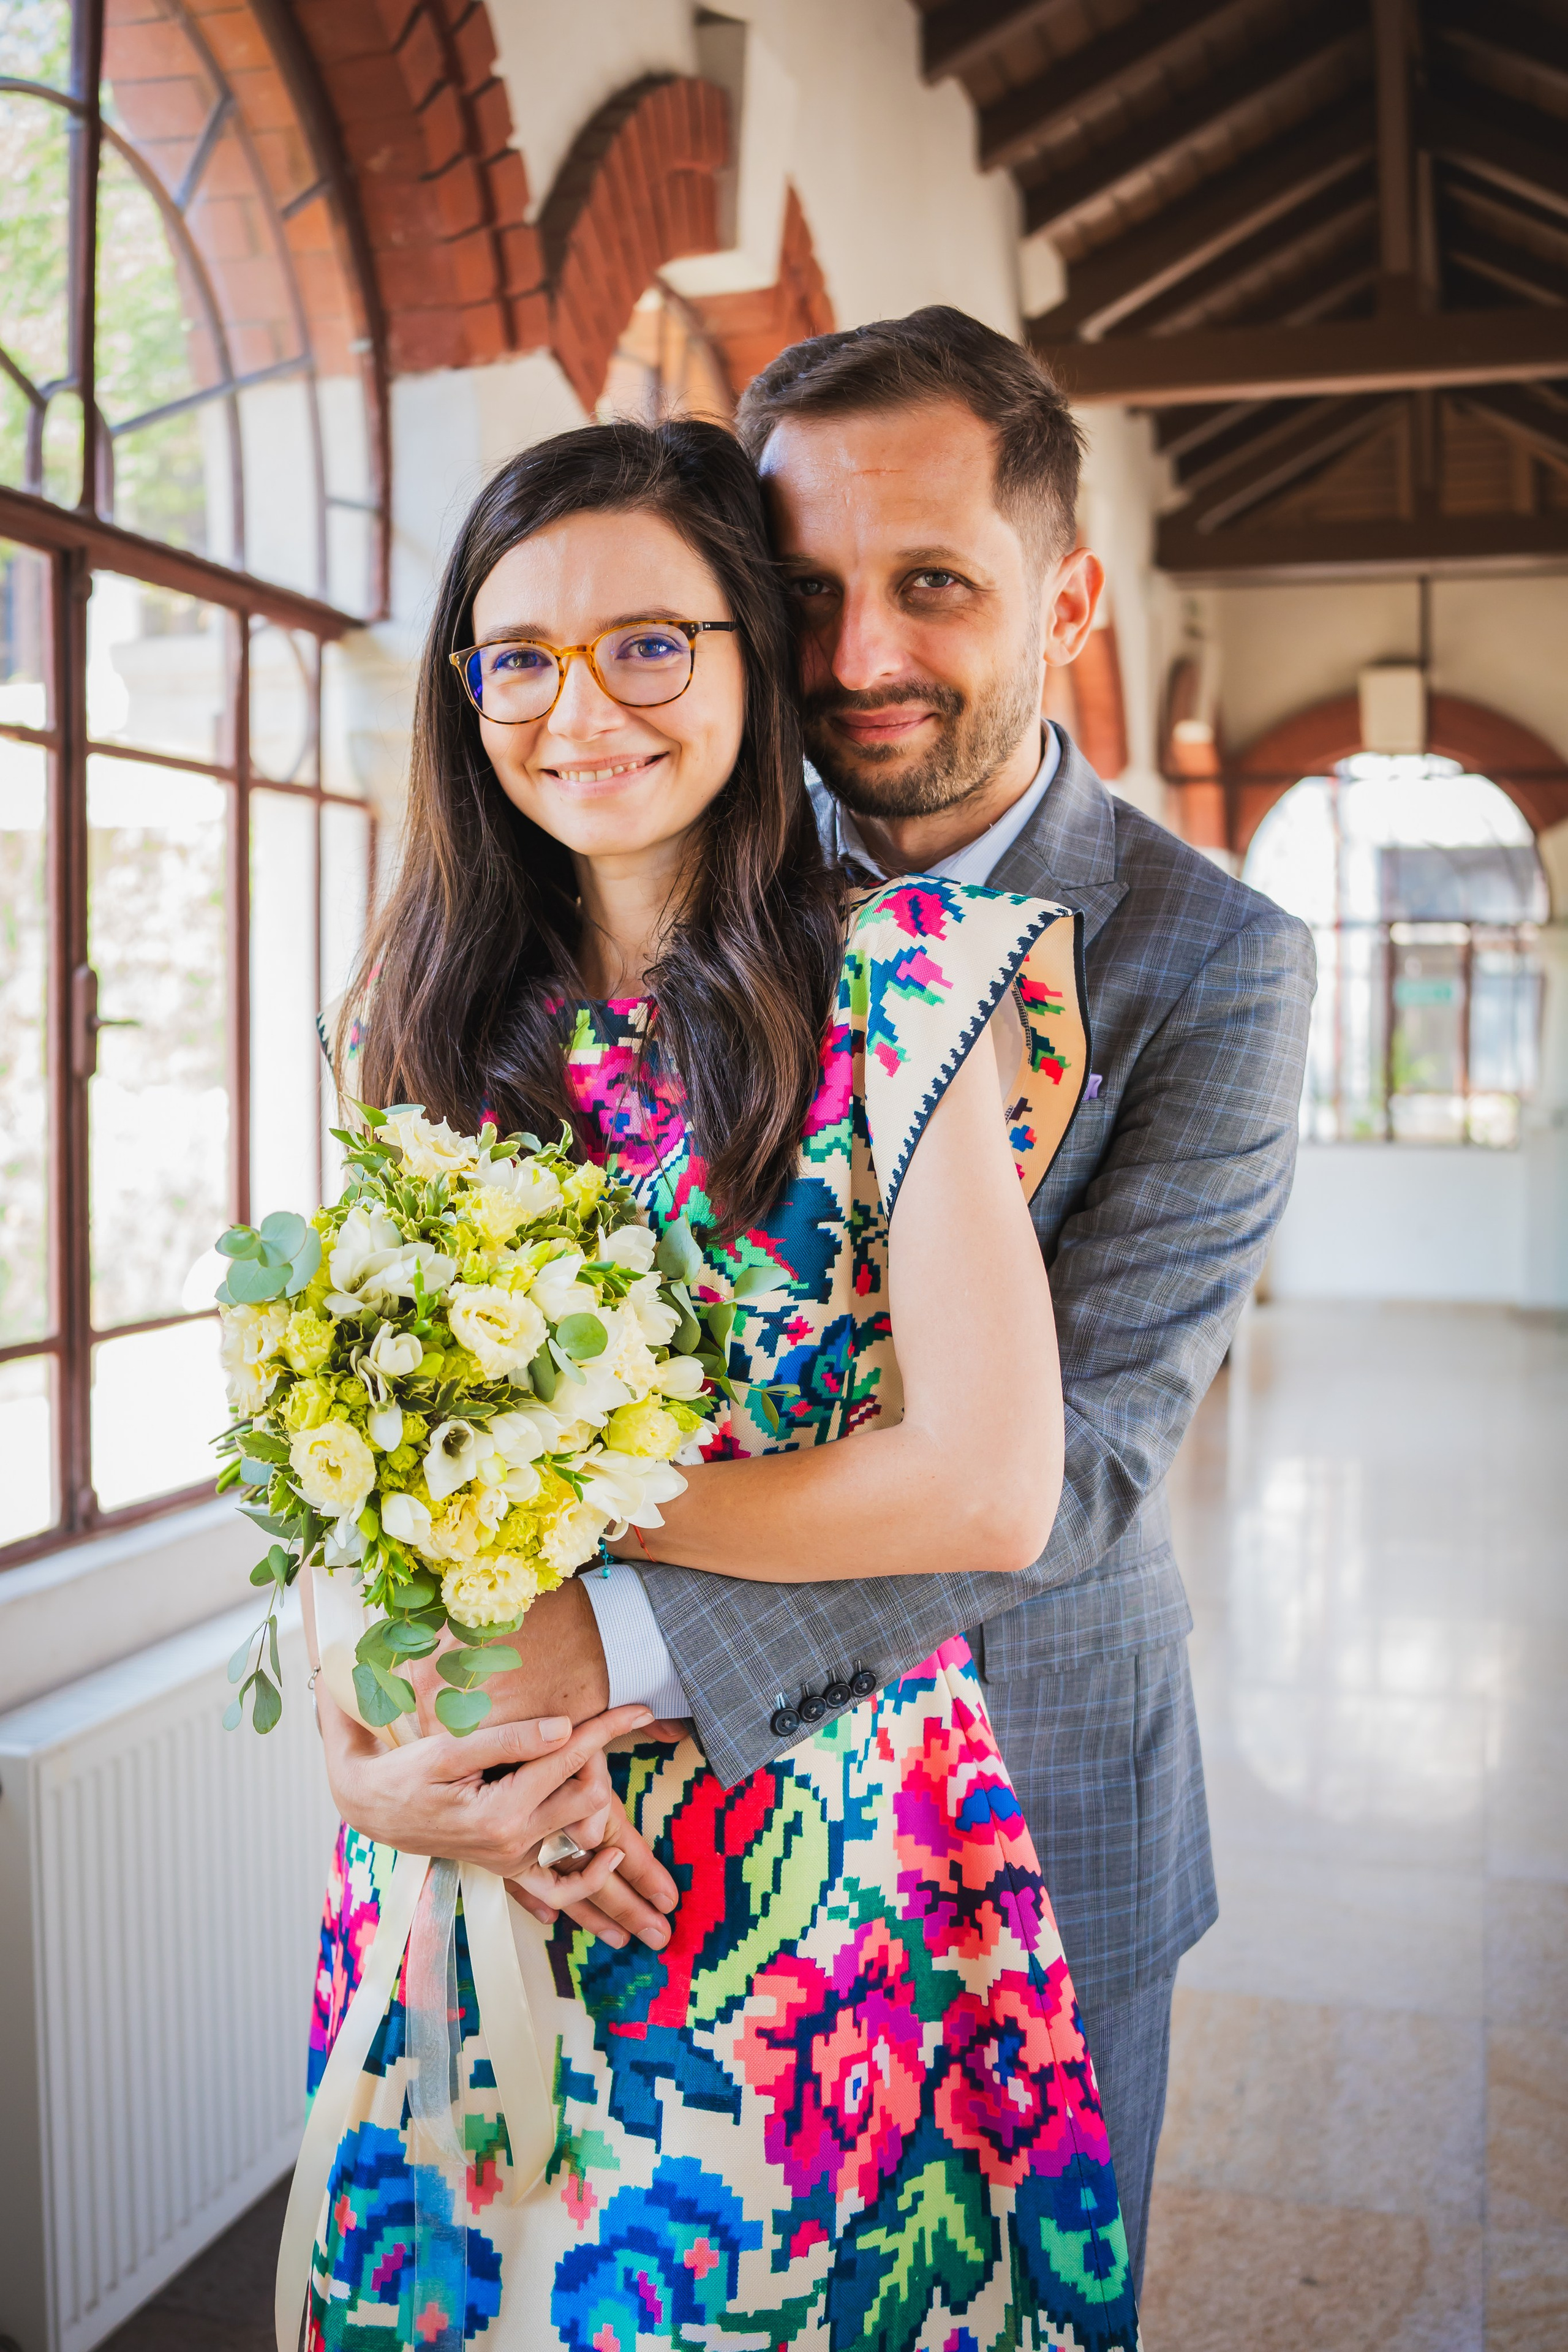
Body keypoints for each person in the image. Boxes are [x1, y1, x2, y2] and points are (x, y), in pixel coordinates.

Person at [485, 311, 1318, 2295]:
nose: (861, 657)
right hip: (652, 1831)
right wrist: (419, 1721)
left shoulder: (1221, 961)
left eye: (934, 585)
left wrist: (592, 1626)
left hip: (1022, 1795)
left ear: (1068, 595)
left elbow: (1088, 1460)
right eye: (810, 592)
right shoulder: (649, 873)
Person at [293, 417, 1139, 2351]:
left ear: (752, 664)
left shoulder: (910, 988)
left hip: (807, 1859)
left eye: (650, 644)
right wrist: (370, 1751)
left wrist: (560, 1499)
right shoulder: (427, 1017)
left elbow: (991, 1486)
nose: (577, 707)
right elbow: (355, 1474)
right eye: (520, 657)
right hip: (480, 1837)